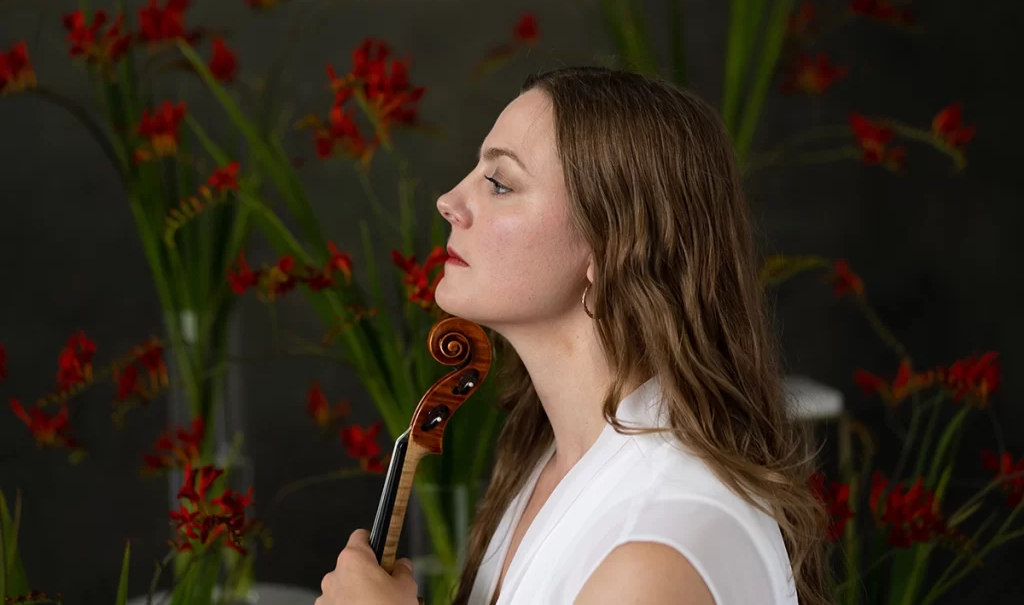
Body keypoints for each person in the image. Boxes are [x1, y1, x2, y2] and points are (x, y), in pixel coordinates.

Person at [316, 66, 832, 605]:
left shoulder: (654, 552)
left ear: (609, 248)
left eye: (499, 183)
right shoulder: (546, 463)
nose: (449, 200)